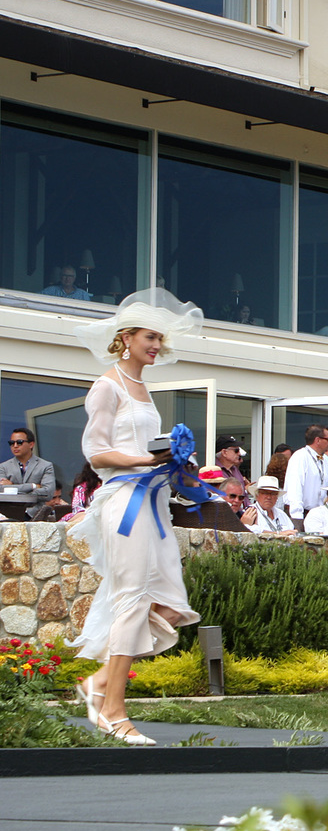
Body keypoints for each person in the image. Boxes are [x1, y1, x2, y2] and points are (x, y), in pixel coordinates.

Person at [68, 287, 204, 746]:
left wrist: (171, 463)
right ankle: (113, 712)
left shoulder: (142, 387)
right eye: (150, 336)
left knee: (169, 602)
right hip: (124, 500)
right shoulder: (107, 386)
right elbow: (96, 451)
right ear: (126, 337)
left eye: (159, 339)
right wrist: (146, 461)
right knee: (133, 599)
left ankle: (99, 684)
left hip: (153, 501)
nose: (156, 345)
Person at [283, 425, 328, 532]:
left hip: (320, 515)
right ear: (318, 440)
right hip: (302, 514)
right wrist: (297, 518)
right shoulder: (300, 457)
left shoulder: (324, 461)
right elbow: (295, 488)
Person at [1, 426, 57, 518]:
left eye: (19, 442)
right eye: (11, 443)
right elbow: (1, 490)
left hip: (36, 514)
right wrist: (33, 486)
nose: (15, 446)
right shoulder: (3, 467)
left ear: (31, 444)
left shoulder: (45, 465)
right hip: (8, 515)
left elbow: (48, 493)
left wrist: (12, 488)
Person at [213, 436, 249, 510]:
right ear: (224, 452)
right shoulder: (214, 471)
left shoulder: (234, 469)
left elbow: (244, 497)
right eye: (236, 450)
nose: (239, 454)